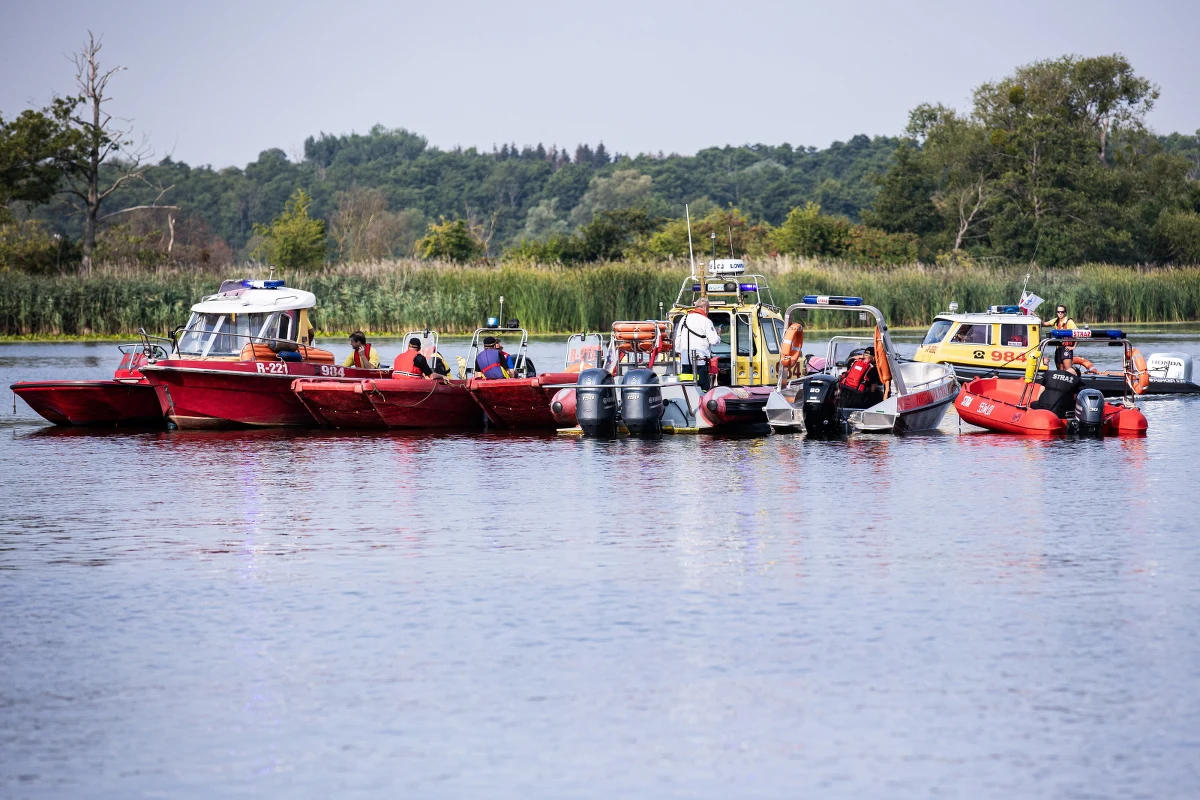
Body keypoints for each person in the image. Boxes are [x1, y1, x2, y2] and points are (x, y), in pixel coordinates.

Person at [673, 297, 721, 390]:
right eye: (708, 309)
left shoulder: (684, 319)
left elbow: (678, 338)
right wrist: (718, 335)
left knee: (687, 387)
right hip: (700, 361)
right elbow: (714, 341)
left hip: (685, 361)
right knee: (702, 388)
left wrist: (679, 351)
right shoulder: (706, 321)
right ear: (705, 308)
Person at [1031, 345, 1085, 416]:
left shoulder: (1049, 374)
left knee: (1032, 404)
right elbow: (1076, 398)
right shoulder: (1077, 380)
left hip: (1043, 408)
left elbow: (1038, 397)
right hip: (1062, 412)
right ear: (1076, 375)